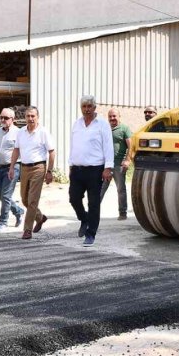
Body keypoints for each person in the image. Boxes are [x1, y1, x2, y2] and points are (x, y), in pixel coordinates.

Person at [69, 95, 114, 246]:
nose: (86, 109)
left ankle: (91, 234)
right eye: (84, 106)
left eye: (89, 106)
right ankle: (84, 218)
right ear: (81, 108)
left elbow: (108, 146)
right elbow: (73, 145)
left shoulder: (102, 124)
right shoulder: (77, 124)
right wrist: (71, 165)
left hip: (95, 169)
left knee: (93, 202)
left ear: (94, 107)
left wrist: (108, 167)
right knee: (74, 198)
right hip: (77, 169)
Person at [9, 106, 55, 240]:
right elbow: (16, 150)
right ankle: (40, 218)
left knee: (32, 200)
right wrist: (11, 167)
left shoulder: (43, 132)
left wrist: (49, 171)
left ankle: (27, 230)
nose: (30, 119)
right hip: (24, 168)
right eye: (28, 116)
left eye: (33, 116)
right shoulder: (21, 132)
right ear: (25, 117)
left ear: (37, 117)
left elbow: (52, 152)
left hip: (38, 168)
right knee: (24, 199)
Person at [0, 108, 25, 231]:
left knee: (5, 195)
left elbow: (21, 150)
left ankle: (3, 221)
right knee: (0, 195)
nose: (3, 120)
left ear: (13, 119)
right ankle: (18, 211)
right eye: (1, 117)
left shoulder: (18, 132)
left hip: (12, 167)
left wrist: (13, 167)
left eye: (6, 118)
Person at [99, 108, 132, 220]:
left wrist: (128, 160)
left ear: (119, 116)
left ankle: (122, 213)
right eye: (110, 116)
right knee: (101, 188)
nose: (112, 118)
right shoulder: (105, 129)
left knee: (120, 189)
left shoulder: (124, 129)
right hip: (106, 165)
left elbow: (131, 146)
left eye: (114, 116)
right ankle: (93, 212)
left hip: (119, 165)